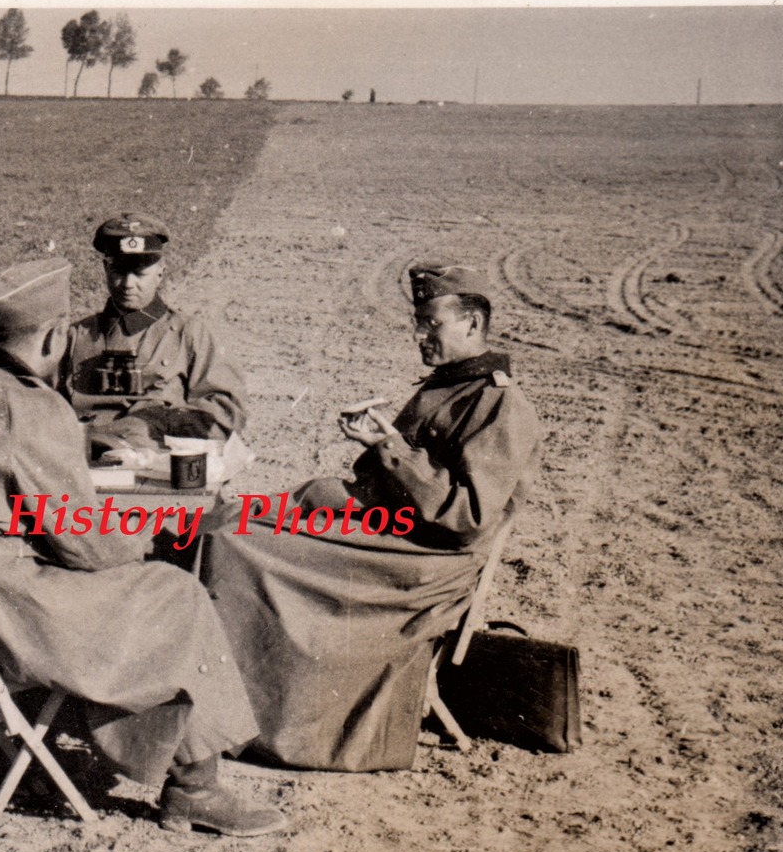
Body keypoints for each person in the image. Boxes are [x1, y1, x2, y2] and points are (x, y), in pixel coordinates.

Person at [0, 256, 286, 836]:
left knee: (131, 598)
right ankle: (194, 788)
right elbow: (88, 545)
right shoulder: (26, 404)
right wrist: (149, 534)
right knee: (175, 593)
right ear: (53, 336)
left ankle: (128, 748)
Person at [202, 260, 545, 772]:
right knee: (227, 520)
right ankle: (221, 707)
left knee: (234, 543)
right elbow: (403, 481)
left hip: (422, 566)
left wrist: (391, 447)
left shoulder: (500, 404)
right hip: (393, 540)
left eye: (432, 323)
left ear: (472, 324)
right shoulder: (451, 386)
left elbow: (464, 516)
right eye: (418, 321)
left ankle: (236, 719)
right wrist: (379, 445)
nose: (418, 334)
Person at [64, 213, 247, 451]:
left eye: (140, 274)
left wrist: (159, 423)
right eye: (119, 271)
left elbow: (225, 412)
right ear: (106, 269)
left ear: (160, 272)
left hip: (159, 460)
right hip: (80, 457)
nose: (128, 284)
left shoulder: (188, 334)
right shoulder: (75, 336)